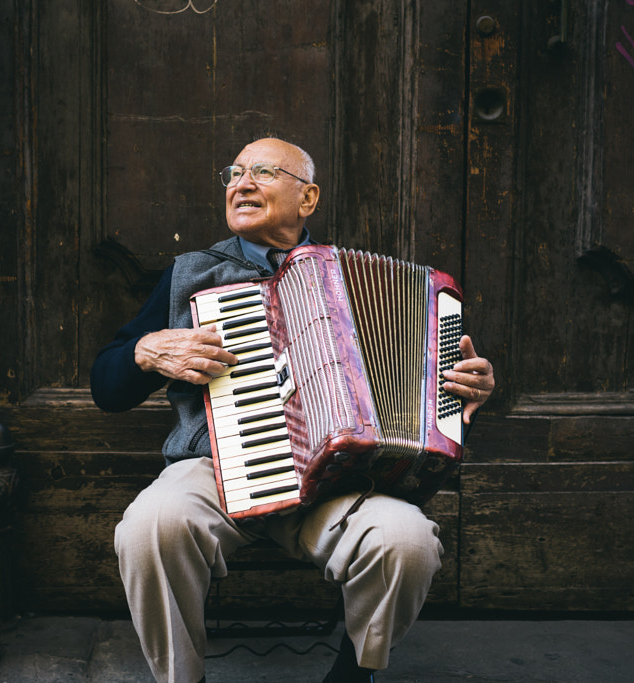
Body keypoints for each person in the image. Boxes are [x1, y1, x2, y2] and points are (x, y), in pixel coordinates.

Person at [90, 138, 495, 683]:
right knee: (148, 527)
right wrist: (145, 351)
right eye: (233, 172)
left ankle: (354, 676)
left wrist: (463, 388)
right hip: (216, 474)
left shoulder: (351, 284)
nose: (241, 182)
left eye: (262, 171)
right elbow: (107, 387)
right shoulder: (193, 274)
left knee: (410, 542)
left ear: (308, 199)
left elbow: (430, 389)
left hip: (339, 481)